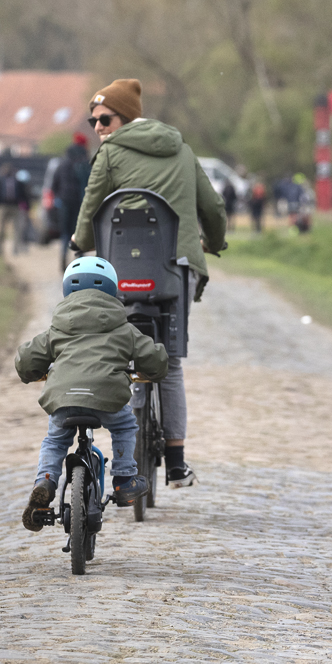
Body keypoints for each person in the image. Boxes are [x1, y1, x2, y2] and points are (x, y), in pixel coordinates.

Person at [72, 78, 227, 488]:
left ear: (126, 117)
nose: (98, 127)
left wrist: (80, 241)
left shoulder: (109, 154)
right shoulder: (182, 149)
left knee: (124, 355)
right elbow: (211, 205)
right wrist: (217, 239)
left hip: (121, 271)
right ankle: (176, 463)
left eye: (105, 118)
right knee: (170, 361)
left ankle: (126, 460)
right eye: (93, 120)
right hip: (175, 266)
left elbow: (93, 205)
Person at [19, 257, 168, 531]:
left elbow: (27, 359)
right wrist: (155, 372)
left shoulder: (58, 327)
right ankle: (124, 478)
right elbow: (153, 358)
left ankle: (46, 481)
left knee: (54, 441)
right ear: (112, 291)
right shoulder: (122, 327)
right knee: (125, 424)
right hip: (107, 398)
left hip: (63, 399)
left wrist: (32, 373)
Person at [52, 132, 91, 271]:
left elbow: (54, 184)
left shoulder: (63, 163)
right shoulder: (86, 162)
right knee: (79, 232)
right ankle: (79, 263)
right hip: (80, 204)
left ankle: (63, 260)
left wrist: (59, 198)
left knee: (65, 233)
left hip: (64, 203)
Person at [0, 162, 30, 257]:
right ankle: (1, 250)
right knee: (1, 229)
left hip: (15, 207)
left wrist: (27, 206)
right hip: (3, 206)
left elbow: (23, 194)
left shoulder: (17, 182)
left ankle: (15, 249)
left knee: (17, 229)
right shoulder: (1, 181)